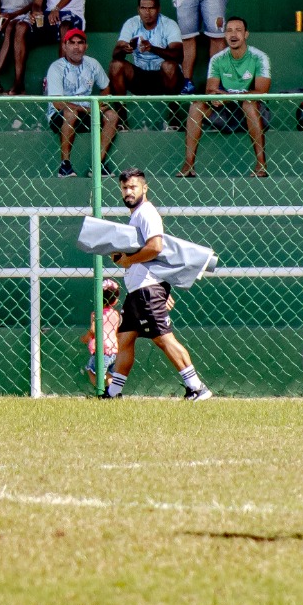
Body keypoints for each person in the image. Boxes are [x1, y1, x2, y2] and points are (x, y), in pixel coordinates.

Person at [102, 168, 212, 401]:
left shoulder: (146, 213)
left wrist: (129, 261)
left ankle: (197, 388)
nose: (128, 192)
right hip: (137, 292)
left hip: (146, 290)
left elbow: (155, 247)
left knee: (163, 339)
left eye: (133, 187)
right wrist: (123, 257)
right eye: (124, 188)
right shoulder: (136, 215)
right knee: (125, 339)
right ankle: (113, 393)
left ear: (145, 188)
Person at [179, 17, 271, 179]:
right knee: (197, 105)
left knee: (249, 103)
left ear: (246, 34)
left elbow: (261, 92)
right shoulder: (218, 59)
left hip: (256, 113)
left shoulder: (259, 57)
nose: (233, 35)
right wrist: (215, 97)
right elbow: (211, 90)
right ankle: (189, 165)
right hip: (226, 114)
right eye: (229, 31)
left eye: (238, 30)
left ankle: (261, 164)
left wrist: (227, 96)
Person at [46, 27, 119, 178]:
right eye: (72, 43)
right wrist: (88, 109)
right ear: (64, 46)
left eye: (80, 43)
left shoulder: (92, 64)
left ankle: (98, 164)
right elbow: (57, 103)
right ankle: (65, 165)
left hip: (87, 112)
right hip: (60, 116)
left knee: (112, 115)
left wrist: (100, 103)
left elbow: (105, 87)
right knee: (70, 112)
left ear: (86, 46)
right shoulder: (56, 68)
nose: (76, 47)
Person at [109, 0, 184, 100]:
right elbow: (115, 53)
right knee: (115, 65)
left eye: (151, 8)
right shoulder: (131, 23)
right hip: (140, 77)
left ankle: (173, 112)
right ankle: (121, 114)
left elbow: (179, 55)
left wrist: (152, 48)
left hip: (163, 78)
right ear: (138, 9)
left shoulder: (169, 24)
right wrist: (125, 49)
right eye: (143, 8)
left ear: (158, 9)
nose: (147, 12)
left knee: (169, 66)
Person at [84, 278, 122, 391]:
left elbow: (93, 330)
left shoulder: (96, 314)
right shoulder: (115, 314)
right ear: (115, 301)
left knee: (92, 371)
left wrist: (86, 337)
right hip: (114, 350)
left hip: (101, 350)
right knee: (110, 373)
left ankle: (101, 391)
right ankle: (112, 392)